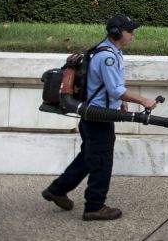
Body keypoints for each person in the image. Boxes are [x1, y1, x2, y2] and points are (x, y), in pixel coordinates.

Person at [41, 14, 159, 221]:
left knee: (89, 156)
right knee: (102, 161)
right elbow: (115, 89)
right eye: (129, 30)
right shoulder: (108, 56)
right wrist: (144, 100)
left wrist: (119, 101)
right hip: (98, 118)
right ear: (116, 33)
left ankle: (57, 190)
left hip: (93, 114)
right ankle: (95, 206)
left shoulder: (106, 50)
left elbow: (108, 87)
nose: (133, 34)